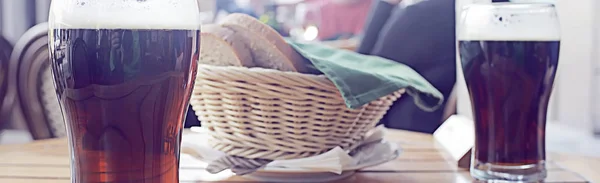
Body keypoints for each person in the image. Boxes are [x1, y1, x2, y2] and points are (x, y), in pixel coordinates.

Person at [357, 0, 457, 133]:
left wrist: (384, 4)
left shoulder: (421, 13)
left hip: (402, 129)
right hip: (421, 120)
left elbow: (364, 72)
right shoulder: (451, 9)